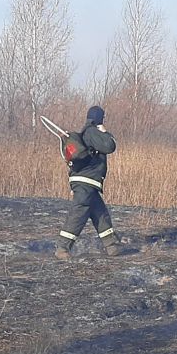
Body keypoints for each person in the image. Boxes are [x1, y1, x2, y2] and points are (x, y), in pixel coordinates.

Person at [55, 105, 120, 259]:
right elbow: (110, 146)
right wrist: (105, 132)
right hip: (86, 181)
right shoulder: (92, 132)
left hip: (87, 182)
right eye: (103, 118)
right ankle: (62, 248)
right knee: (79, 212)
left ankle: (111, 246)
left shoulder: (87, 132)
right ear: (99, 119)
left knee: (99, 212)